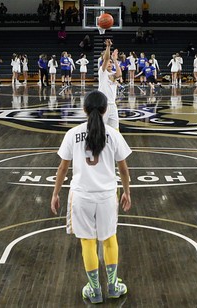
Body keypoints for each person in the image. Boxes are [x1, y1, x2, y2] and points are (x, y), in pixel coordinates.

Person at [50, 90, 132, 304]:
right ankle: (113, 287)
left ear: (84, 109)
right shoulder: (114, 134)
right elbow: (123, 169)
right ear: (106, 110)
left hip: (81, 196)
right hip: (106, 195)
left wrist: (56, 193)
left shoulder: (73, 133)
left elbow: (62, 169)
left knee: (88, 242)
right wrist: (127, 192)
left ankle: (95, 291)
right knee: (109, 239)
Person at [98, 39, 122, 130]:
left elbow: (119, 75)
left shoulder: (112, 74)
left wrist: (115, 60)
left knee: (115, 130)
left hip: (113, 105)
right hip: (103, 105)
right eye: (108, 62)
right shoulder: (102, 71)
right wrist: (108, 47)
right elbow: (106, 58)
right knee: (101, 129)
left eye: (110, 62)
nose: (110, 63)